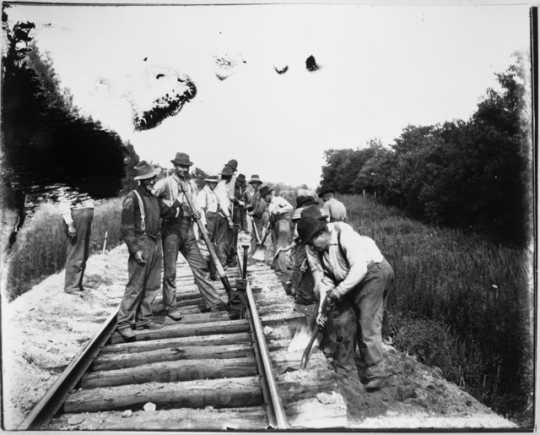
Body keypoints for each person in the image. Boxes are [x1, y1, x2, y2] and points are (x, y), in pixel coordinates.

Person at [297, 216, 394, 391]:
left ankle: (376, 372)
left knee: (367, 322)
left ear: (322, 233)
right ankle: (344, 366)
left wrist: (339, 292)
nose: (312, 247)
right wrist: (321, 311)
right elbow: (324, 280)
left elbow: (359, 268)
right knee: (343, 319)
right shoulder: (316, 250)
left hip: (372, 274)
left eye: (313, 241)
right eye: (309, 243)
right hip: (346, 279)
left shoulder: (344, 235)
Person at [153, 152, 227, 318]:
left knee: (199, 265)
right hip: (171, 230)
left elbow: (194, 203)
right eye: (180, 166)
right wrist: (166, 209)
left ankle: (212, 301)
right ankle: (171, 307)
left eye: (186, 166)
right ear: (174, 166)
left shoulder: (191, 184)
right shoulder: (166, 183)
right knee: (171, 271)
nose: (183, 169)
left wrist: (197, 214)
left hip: (188, 229)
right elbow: (152, 198)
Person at [117, 161, 163, 340]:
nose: (152, 181)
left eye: (153, 178)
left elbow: (163, 212)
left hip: (154, 242)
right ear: (141, 181)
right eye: (148, 179)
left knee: (152, 284)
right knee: (135, 286)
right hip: (141, 243)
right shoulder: (132, 197)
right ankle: (124, 323)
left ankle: (144, 318)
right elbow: (126, 228)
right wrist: (134, 249)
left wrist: (176, 209)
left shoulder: (153, 197)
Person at [59, 187, 95, 295]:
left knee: (83, 253)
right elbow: (63, 203)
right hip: (77, 216)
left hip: (85, 215)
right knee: (76, 253)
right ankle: (71, 287)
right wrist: (70, 224)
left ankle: (77, 284)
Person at [198, 174, 234, 280]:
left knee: (214, 246)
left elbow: (221, 206)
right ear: (208, 183)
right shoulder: (203, 193)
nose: (213, 185)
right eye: (211, 183)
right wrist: (203, 224)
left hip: (215, 219)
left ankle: (213, 272)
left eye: (215, 183)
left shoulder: (214, 193)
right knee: (206, 246)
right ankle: (203, 274)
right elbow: (201, 210)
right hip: (207, 220)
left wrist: (228, 218)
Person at [260, 184, 293, 272]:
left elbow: (290, 207)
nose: (264, 199)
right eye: (263, 197)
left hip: (283, 223)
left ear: (269, 194)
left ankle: (282, 268)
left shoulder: (278, 200)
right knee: (275, 245)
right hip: (275, 225)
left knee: (281, 245)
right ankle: (276, 265)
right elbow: (272, 218)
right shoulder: (269, 205)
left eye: (265, 197)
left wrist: (279, 210)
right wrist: (268, 228)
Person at [246, 174, 267, 253]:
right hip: (256, 217)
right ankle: (253, 251)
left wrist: (253, 212)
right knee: (254, 234)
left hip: (260, 216)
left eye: (254, 183)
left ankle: (256, 252)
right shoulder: (255, 192)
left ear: (258, 183)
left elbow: (261, 206)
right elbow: (253, 203)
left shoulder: (260, 192)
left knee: (257, 235)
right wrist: (249, 206)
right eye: (252, 183)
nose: (253, 185)